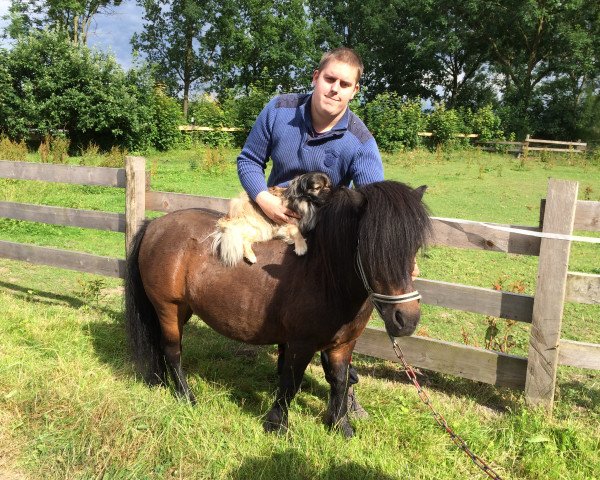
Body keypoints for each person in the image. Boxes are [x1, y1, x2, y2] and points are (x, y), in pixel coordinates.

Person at [236, 47, 384, 419]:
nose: (335, 89)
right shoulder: (279, 109)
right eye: (330, 79)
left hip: (324, 231)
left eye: (345, 84)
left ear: (354, 91)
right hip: (272, 215)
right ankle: (280, 354)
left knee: (332, 307)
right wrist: (264, 201)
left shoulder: (360, 141)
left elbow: (374, 202)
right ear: (316, 78)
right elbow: (249, 160)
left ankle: (343, 385)